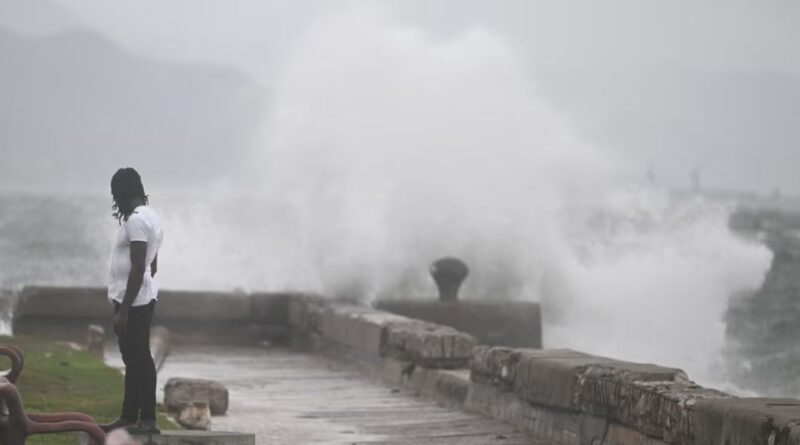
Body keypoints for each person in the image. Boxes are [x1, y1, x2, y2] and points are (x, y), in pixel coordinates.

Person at [101, 168, 164, 435]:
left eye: (116, 194)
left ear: (123, 193)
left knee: (140, 358)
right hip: (140, 297)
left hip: (134, 302)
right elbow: (153, 263)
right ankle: (129, 416)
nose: (115, 201)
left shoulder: (137, 221)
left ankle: (147, 418)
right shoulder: (152, 216)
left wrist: (124, 310)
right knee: (134, 358)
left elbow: (139, 267)